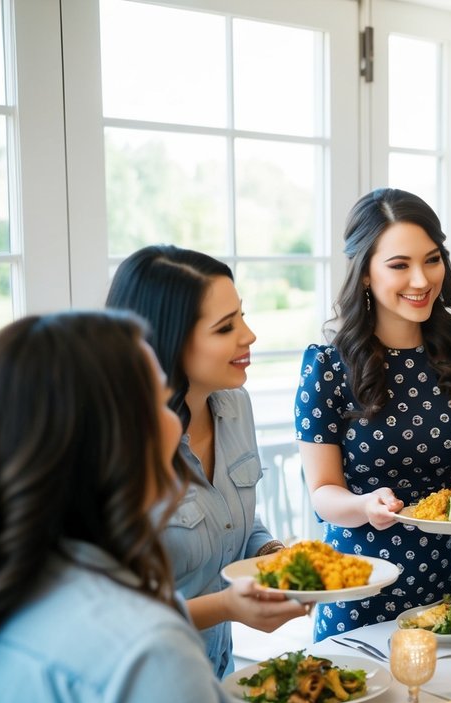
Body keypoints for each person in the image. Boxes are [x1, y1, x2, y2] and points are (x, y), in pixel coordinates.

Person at [0, 311, 448, 703]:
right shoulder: (147, 651)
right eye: (157, 397)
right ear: (111, 441)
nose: (174, 417)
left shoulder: (22, 592)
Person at [296, 188, 451, 638]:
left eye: (432, 259)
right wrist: (365, 505)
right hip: (360, 584)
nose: (422, 280)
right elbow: (324, 493)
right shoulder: (328, 367)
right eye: (399, 265)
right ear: (365, 273)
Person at [107, 245, 307, 678]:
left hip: (218, 675)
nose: (249, 335)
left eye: (243, 316)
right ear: (170, 339)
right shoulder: (116, 446)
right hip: (146, 685)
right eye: (225, 327)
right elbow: (112, 613)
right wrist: (226, 607)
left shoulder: (236, 406)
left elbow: (236, 520)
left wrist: (276, 557)